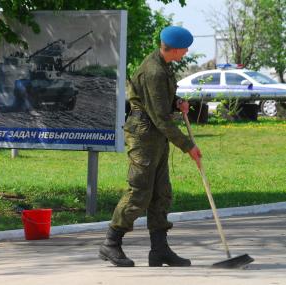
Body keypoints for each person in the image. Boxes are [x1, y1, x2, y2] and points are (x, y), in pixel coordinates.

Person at [99, 26, 202, 267]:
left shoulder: (164, 65)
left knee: (161, 193)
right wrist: (188, 146)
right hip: (144, 135)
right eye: (184, 49)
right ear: (175, 49)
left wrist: (177, 103)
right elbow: (159, 117)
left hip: (155, 135)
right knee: (140, 192)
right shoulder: (154, 70)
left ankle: (159, 250)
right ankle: (111, 243)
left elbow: (159, 102)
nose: (186, 52)